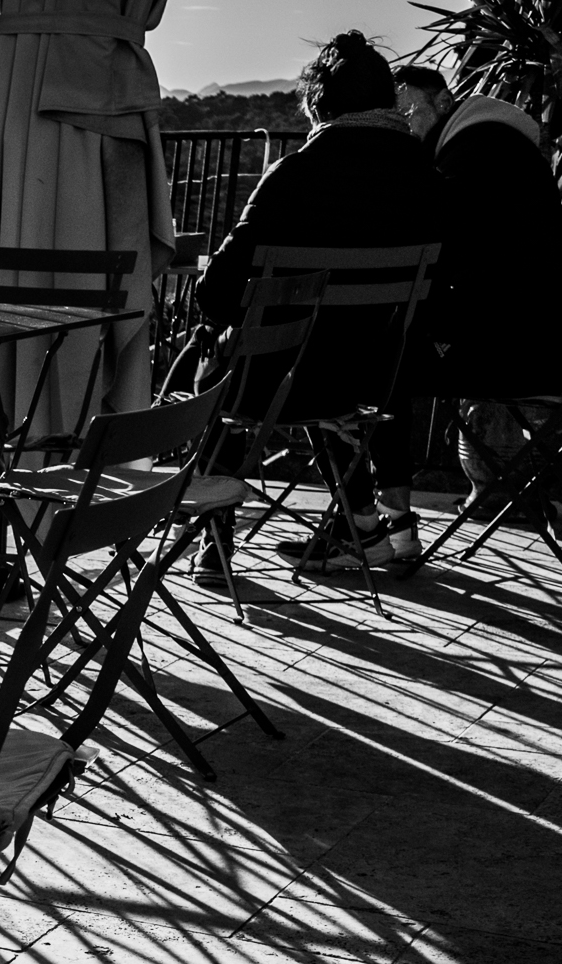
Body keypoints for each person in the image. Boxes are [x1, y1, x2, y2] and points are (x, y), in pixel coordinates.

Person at [194, 31, 445, 578]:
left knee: (229, 357)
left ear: (317, 105)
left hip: (279, 380)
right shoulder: (428, 181)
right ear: (389, 103)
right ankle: (361, 524)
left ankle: (214, 540)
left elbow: (215, 295)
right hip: (375, 381)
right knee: (328, 350)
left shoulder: (295, 175)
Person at [392, 63, 562, 550]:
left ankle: (386, 521)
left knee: (382, 367)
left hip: (511, 354)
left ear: (443, 103)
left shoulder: (468, 158)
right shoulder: (502, 146)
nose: (404, 126)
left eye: (409, 112)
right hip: (541, 343)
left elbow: (447, 257)